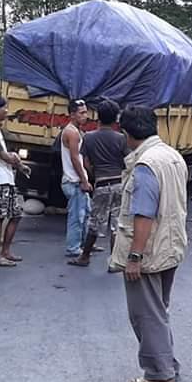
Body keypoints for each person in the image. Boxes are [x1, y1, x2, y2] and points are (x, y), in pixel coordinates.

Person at [112, 105, 188, 382]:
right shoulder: (172, 156)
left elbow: (143, 214)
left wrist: (134, 257)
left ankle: (159, 372)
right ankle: (167, 364)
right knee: (158, 310)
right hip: (171, 246)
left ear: (127, 133)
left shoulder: (145, 165)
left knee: (145, 313)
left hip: (150, 249)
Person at [70, 99, 126, 268]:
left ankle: (84, 257)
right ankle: (115, 262)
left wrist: (94, 175)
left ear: (97, 117)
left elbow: (86, 162)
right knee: (116, 224)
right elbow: (127, 160)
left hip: (101, 183)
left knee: (95, 222)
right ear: (116, 118)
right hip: (119, 183)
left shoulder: (89, 137)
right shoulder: (122, 138)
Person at [0, 96, 30, 267]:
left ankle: (5, 251)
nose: (7, 111)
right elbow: (3, 155)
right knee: (0, 217)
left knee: (16, 215)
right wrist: (15, 158)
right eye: (5, 108)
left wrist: (19, 165)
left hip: (5, 178)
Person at [60, 99, 92, 259]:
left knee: (86, 214)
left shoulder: (77, 131)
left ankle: (86, 244)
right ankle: (73, 248)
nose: (85, 116)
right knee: (76, 217)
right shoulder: (71, 132)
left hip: (77, 179)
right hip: (74, 181)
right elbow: (74, 158)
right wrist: (83, 180)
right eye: (82, 113)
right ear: (72, 114)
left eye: (86, 112)